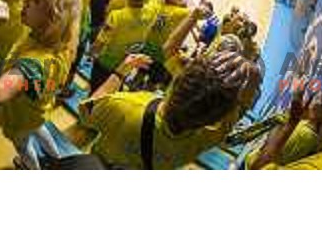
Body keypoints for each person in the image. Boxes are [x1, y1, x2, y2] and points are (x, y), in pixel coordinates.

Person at [80, 38, 261, 169]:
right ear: (218, 115)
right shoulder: (207, 137)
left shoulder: (126, 105)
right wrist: (251, 75)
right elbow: (239, 109)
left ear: (180, 79)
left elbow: (86, 113)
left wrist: (121, 71)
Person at [0, 0, 82, 168]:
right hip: (38, 111)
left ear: (52, 18)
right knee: (39, 128)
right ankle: (57, 160)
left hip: (19, 119)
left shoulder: (33, 65)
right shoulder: (61, 41)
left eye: (36, 0)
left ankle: (31, 167)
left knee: (23, 146)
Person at [89, 0, 162, 93]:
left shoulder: (116, 16)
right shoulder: (151, 11)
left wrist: (92, 53)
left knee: (96, 92)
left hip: (105, 65)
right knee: (115, 90)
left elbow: (99, 43)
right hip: (127, 64)